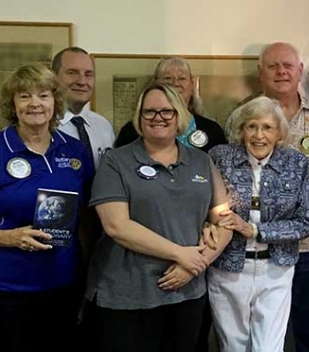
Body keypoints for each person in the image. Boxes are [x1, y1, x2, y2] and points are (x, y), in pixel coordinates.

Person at [0, 64, 94, 352]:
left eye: (43, 95)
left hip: (61, 285)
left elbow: (86, 218)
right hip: (3, 288)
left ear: (55, 102)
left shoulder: (75, 152)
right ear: (12, 105)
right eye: (24, 96)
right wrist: (11, 237)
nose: (35, 103)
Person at [85, 83, 232, 352]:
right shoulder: (116, 161)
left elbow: (224, 219)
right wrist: (181, 254)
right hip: (128, 294)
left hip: (187, 291)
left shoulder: (201, 161)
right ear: (139, 117)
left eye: (167, 111)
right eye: (149, 112)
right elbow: (117, 226)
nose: (158, 118)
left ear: (179, 117)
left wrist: (195, 264)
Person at [208, 96, 309, 352]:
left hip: (275, 270)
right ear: (241, 130)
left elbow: (307, 221)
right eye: (252, 126)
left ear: (279, 132)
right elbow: (203, 204)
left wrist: (256, 231)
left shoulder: (296, 162)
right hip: (228, 268)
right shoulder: (219, 157)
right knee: (234, 346)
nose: (259, 135)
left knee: (268, 348)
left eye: (267, 127)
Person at [256, 42, 309, 352]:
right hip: (259, 245)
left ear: (300, 70)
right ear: (261, 73)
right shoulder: (244, 117)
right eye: (273, 66)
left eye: (288, 65)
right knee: (262, 335)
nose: (281, 71)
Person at [114, 56, 227, 153]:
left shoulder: (212, 130)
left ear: (192, 84)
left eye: (182, 78)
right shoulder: (132, 131)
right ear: (156, 83)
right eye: (167, 78)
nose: (175, 84)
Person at [53, 47, 115, 167]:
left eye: (88, 74)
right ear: (53, 77)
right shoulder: (42, 127)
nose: (82, 81)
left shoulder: (103, 126)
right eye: (72, 73)